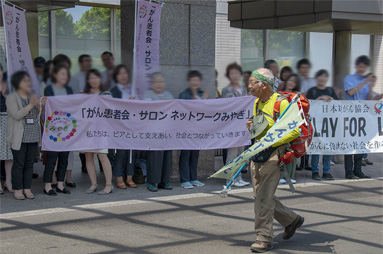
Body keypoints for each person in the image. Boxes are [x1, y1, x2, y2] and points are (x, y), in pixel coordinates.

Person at [246, 68, 304, 253]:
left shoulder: (282, 102)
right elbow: (259, 127)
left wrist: (270, 142)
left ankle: (263, 238)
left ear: (264, 85)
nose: (248, 86)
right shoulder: (257, 103)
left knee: (263, 197)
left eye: (252, 82)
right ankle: (292, 220)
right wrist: (251, 126)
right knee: (261, 196)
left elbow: (295, 130)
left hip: (274, 155)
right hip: (257, 154)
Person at [6, 71, 46, 200]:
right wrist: (31, 104)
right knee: (19, 163)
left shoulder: (32, 96)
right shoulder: (12, 97)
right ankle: (18, 189)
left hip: (33, 135)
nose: (28, 83)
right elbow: (17, 115)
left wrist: (39, 105)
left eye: (29, 81)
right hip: (19, 136)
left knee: (30, 163)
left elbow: (36, 115)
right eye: (25, 81)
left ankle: (27, 188)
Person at [343, 55, 377, 179]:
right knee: (349, 144)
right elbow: (351, 92)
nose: (362, 69)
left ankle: (358, 170)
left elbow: (369, 99)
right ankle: (349, 171)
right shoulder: (349, 78)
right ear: (357, 66)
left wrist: (370, 88)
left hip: (363, 116)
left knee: (361, 144)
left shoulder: (367, 81)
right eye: (360, 66)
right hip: (350, 115)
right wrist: (365, 81)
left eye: (364, 67)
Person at [82, 69, 114, 195]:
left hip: (102, 130)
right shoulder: (83, 95)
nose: (93, 80)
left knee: (102, 156)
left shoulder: (106, 94)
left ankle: (109, 185)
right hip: (87, 130)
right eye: (91, 78)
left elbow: (111, 111)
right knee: (88, 156)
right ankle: (93, 184)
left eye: (96, 77)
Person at [43, 64, 73, 196]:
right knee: (51, 158)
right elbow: (53, 106)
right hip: (53, 128)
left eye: (65, 75)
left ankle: (60, 184)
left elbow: (73, 105)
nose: (64, 77)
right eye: (61, 74)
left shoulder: (69, 89)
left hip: (66, 127)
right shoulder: (49, 89)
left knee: (64, 157)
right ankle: (47, 185)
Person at [144, 73, 174, 192]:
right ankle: (152, 181)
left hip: (167, 131)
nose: (159, 84)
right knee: (154, 157)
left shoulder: (169, 95)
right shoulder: (148, 95)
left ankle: (164, 181)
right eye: (156, 82)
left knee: (167, 157)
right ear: (152, 84)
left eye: (161, 82)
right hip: (153, 132)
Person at [221, 63, 250, 187]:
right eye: (232, 73)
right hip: (232, 126)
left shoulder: (244, 89)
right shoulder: (226, 90)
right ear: (229, 75)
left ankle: (238, 177)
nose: (235, 75)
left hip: (243, 126)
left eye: (237, 73)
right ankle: (230, 179)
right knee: (232, 154)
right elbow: (226, 106)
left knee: (240, 153)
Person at [306, 69, 338, 181]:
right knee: (316, 147)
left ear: (327, 79)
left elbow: (338, 105)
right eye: (320, 76)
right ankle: (315, 171)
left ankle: (327, 171)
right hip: (315, 124)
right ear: (316, 78)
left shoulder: (330, 90)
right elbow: (308, 105)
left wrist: (333, 100)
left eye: (324, 77)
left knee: (327, 148)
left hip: (329, 124)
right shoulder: (312, 91)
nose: (322, 79)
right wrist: (319, 99)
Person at [178, 70, 207, 189]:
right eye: (192, 80)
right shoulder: (183, 95)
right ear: (188, 82)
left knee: (195, 155)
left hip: (197, 130)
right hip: (185, 129)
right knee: (185, 154)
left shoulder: (202, 93)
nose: (195, 82)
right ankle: (184, 179)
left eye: (197, 80)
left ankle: (193, 178)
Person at [111, 64, 138, 189]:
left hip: (132, 125)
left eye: (125, 73)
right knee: (120, 153)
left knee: (132, 152)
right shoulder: (114, 90)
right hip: (119, 126)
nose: (123, 76)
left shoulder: (133, 90)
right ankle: (119, 178)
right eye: (120, 73)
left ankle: (130, 177)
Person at [278, 73, 301, 185]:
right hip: (281, 125)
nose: (292, 83)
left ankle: (290, 176)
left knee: (292, 150)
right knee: (282, 150)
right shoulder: (279, 94)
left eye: (294, 82)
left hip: (294, 125)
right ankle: (280, 176)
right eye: (290, 80)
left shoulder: (297, 96)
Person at [0, 65, 13, 194]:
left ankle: (8, 181)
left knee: (9, 152)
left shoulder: (8, 86)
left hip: (8, 119)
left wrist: (5, 95)